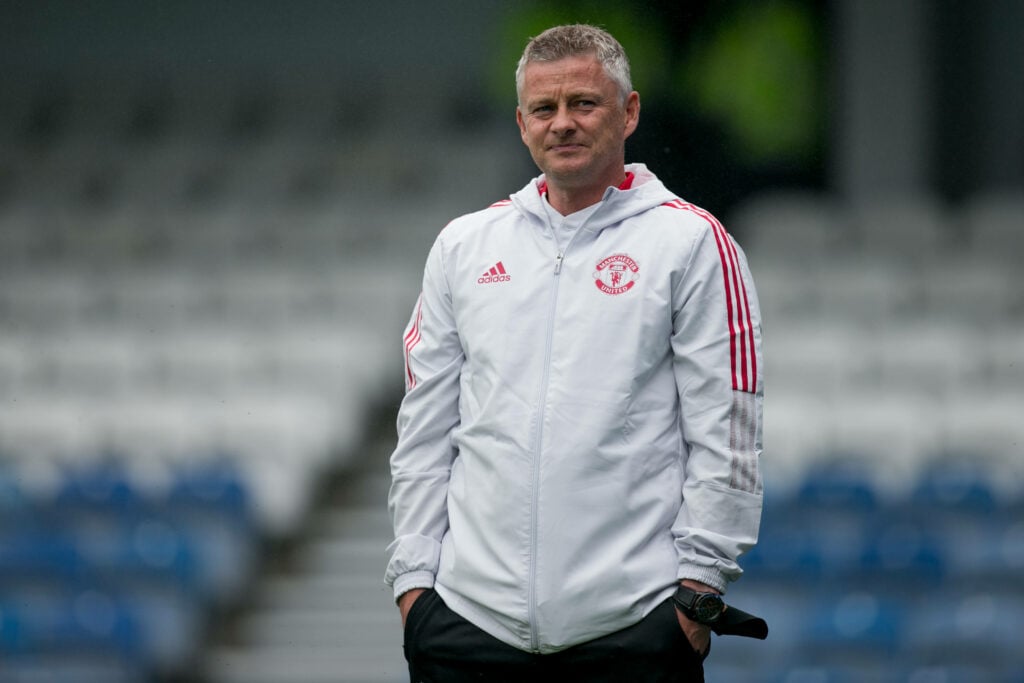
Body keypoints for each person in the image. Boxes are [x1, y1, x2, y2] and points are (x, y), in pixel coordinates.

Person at [385, 24, 764, 682]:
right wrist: (414, 587)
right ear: (522, 122)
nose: (562, 123)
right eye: (544, 108)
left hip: (633, 630)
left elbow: (728, 430)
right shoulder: (463, 246)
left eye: (583, 103)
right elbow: (424, 429)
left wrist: (696, 597)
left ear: (630, 111)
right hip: (466, 628)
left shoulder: (693, 243)